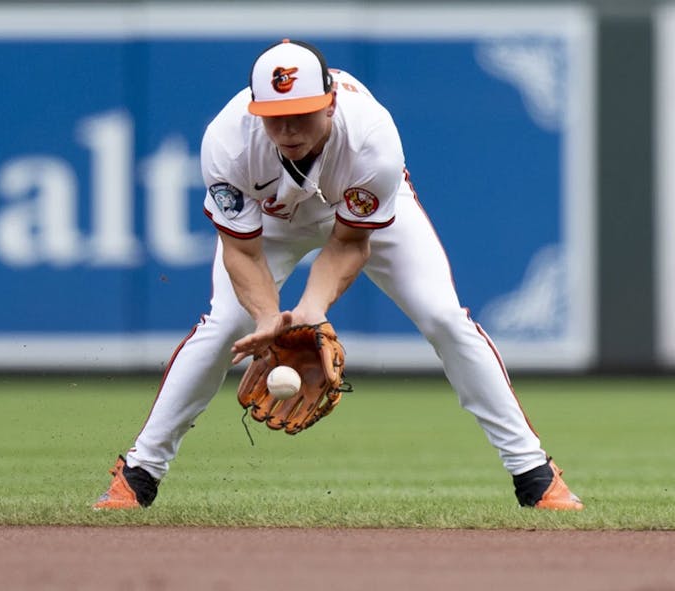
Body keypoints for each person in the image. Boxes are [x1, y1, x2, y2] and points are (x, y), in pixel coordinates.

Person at [95, 39, 583, 511]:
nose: (287, 128)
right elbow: (241, 253)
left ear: (330, 104)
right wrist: (268, 317)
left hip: (354, 215)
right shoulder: (227, 142)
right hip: (272, 223)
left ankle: (534, 474)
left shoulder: (372, 138)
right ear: (256, 111)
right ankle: (138, 475)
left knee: (444, 318)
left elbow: (350, 242)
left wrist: (310, 311)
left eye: (302, 112)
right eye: (275, 117)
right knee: (225, 325)